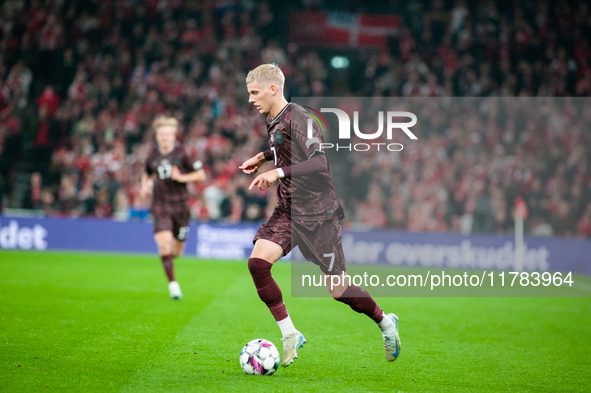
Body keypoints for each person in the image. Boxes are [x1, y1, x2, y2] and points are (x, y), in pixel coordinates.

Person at [239, 64, 400, 367]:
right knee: (258, 263)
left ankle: (385, 322)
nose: (250, 99)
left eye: (254, 93)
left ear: (273, 89)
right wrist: (261, 158)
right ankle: (290, 334)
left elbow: (319, 162)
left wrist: (277, 172)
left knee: (339, 290)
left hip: (319, 215)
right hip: (289, 210)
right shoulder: (272, 119)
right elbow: (283, 147)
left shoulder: (301, 118)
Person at [141, 117, 206, 299]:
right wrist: (144, 185)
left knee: (177, 250)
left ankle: (171, 259)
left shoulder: (183, 153)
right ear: (156, 136)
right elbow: (146, 174)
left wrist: (181, 178)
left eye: (168, 134)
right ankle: (173, 286)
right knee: (164, 243)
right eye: (161, 134)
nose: (164, 137)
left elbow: (201, 175)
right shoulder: (152, 156)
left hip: (181, 207)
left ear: (173, 135)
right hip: (160, 205)